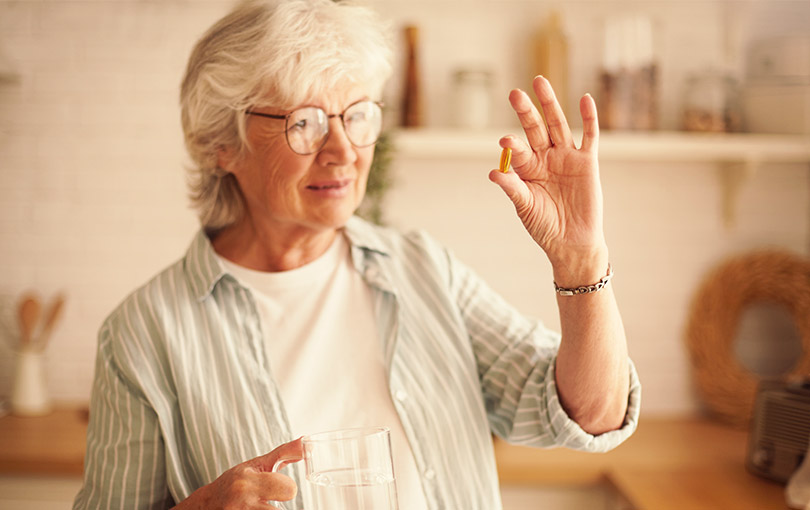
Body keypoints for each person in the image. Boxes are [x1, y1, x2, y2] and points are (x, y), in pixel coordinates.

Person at [73, 0, 640, 509]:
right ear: (221, 144)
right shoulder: (142, 334)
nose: (343, 151)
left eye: (357, 115)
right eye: (304, 123)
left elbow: (593, 414)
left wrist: (582, 259)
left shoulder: (422, 269)